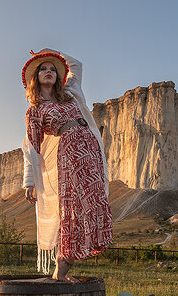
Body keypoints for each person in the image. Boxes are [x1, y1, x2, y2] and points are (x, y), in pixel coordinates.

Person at [21, 49, 113, 282]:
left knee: (94, 200)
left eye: (53, 69)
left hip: (89, 148)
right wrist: (30, 181)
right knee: (72, 207)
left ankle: (65, 265)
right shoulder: (35, 110)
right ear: (36, 77)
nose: (49, 71)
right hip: (69, 153)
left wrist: (51, 52)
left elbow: (77, 65)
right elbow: (32, 147)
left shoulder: (70, 93)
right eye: (43, 68)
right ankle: (61, 267)